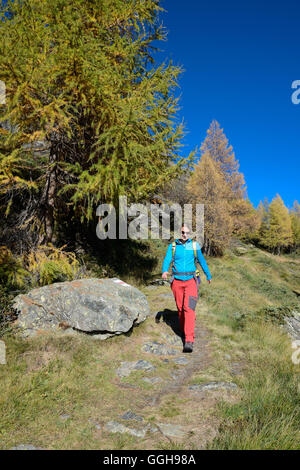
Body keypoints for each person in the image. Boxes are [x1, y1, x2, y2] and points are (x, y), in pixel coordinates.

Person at [162, 224, 212, 352]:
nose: (185, 235)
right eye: (183, 232)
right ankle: (184, 329)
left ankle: (189, 340)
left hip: (191, 281)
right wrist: (164, 271)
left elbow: (201, 260)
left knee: (188, 308)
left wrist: (208, 275)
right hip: (176, 282)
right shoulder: (173, 246)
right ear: (179, 233)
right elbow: (167, 259)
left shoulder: (194, 246)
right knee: (180, 309)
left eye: (187, 233)